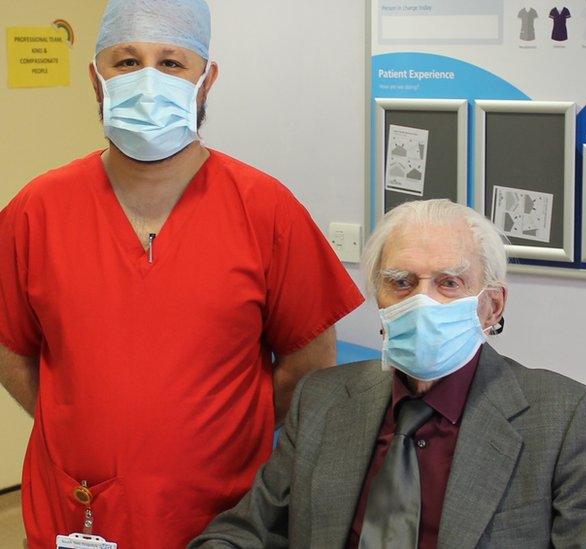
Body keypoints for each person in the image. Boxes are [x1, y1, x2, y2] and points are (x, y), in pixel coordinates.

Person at [0, 0, 364, 546]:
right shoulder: (37, 210)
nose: (147, 79)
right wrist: (75, 426)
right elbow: (12, 349)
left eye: (171, 63)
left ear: (206, 79)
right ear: (95, 79)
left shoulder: (265, 210)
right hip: (77, 512)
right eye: (126, 62)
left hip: (227, 519)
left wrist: (221, 438)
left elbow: (307, 365)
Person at [190, 199, 586, 548]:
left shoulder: (558, 418)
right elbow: (248, 532)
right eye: (401, 282)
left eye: (449, 283)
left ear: (491, 306)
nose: (422, 302)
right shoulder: (323, 401)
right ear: (379, 300)